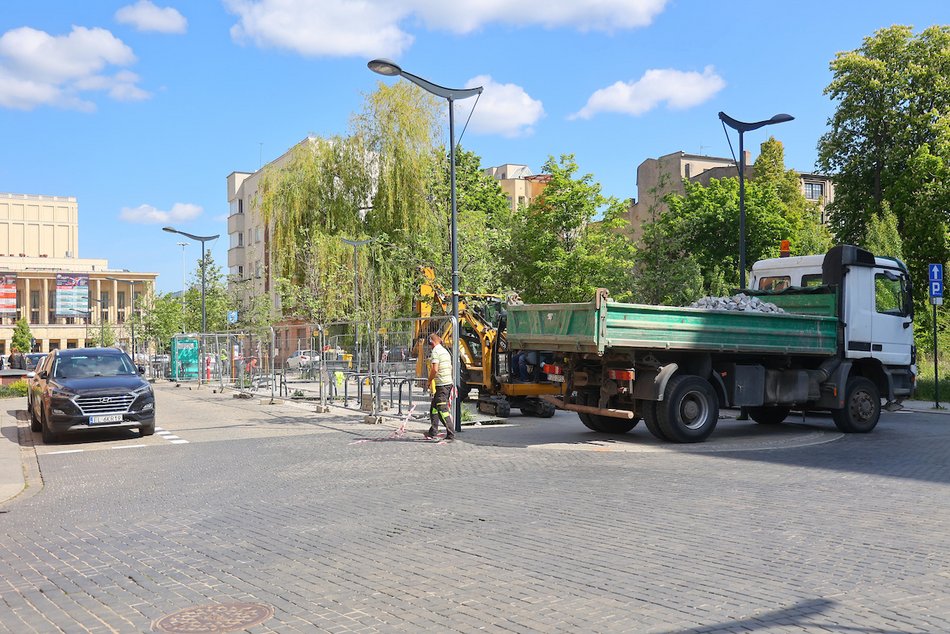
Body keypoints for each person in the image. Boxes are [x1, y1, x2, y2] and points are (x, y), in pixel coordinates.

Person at [425, 333, 455, 441]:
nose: (430, 347)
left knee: (442, 410)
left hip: (442, 385)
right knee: (434, 408)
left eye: (429, 344)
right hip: (446, 383)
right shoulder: (444, 351)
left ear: (431, 342)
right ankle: (433, 431)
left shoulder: (436, 352)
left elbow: (435, 369)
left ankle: (451, 434)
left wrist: (429, 381)